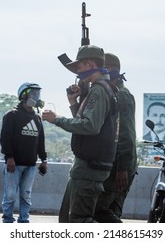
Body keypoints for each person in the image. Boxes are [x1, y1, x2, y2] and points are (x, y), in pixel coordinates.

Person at [42, 45, 119, 223]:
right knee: (67, 219)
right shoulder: (105, 89)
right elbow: (86, 123)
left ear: (90, 64)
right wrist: (73, 102)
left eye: (79, 66)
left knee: (79, 220)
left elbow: (90, 127)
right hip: (89, 165)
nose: (77, 71)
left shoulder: (99, 90)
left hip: (89, 167)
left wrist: (57, 119)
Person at [94, 53, 137, 223]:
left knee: (98, 210)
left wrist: (122, 168)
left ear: (111, 70)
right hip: (117, 165)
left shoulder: (121, 96)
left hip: (120, 167)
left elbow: (126, 134)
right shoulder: (112, 93)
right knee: (110, 212)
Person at [0, 82, 47, 223]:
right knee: (10, 194)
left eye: (38, 93)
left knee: (26, 194)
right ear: (24, 95)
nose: (37, 96)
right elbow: (5, 138)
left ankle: (24, 220)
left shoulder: (37, 118)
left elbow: (41, 141)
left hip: (31, 165)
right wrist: (9, 157)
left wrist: (44, 160)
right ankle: (7, 219)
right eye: (34, 93)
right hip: (14, 163)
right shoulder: (11, 115)